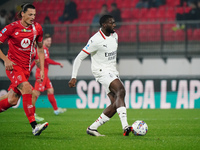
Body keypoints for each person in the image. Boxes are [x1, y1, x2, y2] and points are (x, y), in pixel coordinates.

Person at [68, 15, 132, 136]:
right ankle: (125, 126)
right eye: (111, 23)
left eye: (114, 22)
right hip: (101, 71)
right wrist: (74, 76)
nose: (114, 25)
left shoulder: (115, 36)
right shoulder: (95, 40)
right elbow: (79, 58)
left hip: (112, 71)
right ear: (104, 25)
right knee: (121, 90)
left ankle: (92, 128)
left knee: (115, 104)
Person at [0, 3, 48, 136]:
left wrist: (41, 69)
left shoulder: (37, 28)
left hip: (26, 69)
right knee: (27, 89)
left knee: (12, 100)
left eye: (34, 15)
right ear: (23, 14)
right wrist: (5, 59)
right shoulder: (12, 27)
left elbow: (39, 48)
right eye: (30, 14)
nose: (33, 17)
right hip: (13, 66)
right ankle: (34, 126)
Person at [32, 34, 66, 115]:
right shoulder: (43, 49)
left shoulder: (44, 49)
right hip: (41, 74)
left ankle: (56, 110)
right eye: (48, 41)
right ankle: (31, 112)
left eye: (50, 41)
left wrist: (29, 69)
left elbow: (35, 60)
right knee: (36, 93)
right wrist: (58, 63)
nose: (49, 42)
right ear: (43, 41)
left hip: (44, 74)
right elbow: (47, 60)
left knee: (50, 90)